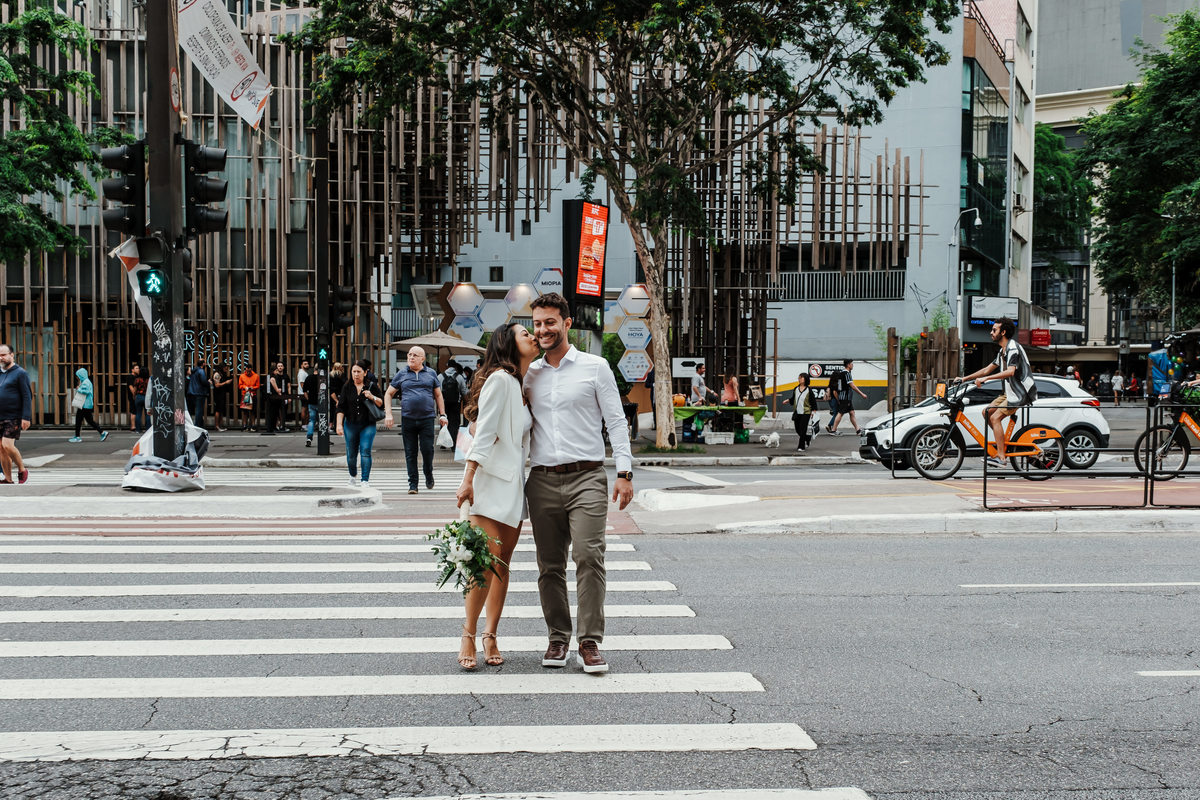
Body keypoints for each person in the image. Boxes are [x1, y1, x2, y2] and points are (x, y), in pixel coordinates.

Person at [524, 292, 633, 674]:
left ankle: (589, 642)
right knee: (549, 565)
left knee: (589, 557)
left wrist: (624, 472)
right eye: (537, 323)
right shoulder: (529, 373)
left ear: (567, 323)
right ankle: (558, 639)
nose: (543, 330)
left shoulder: (595, 366)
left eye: (550, 322)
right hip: (541, 480)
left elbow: (616, 421)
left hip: (587, 476)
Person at [453, 322, 539, 669]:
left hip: (514, 488)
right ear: (508, 344)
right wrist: (469, 478)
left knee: (502, 566)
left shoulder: (522, 385)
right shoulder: (500, 380)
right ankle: (468, 634)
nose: (533, 336)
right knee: (482, 565)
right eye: (525, 334)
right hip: (487, 485)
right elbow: (484, 432)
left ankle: (491, 635)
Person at [956, 317, 1036, 468]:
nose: (991, 332)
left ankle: (1001, 457)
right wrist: (964, 378)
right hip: (1009, 393)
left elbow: (1010, 372)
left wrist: (986, 379)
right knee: (987, 413)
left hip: (1019, 394)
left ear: (1003, 332)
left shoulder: (1013, 349)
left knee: (995, 419)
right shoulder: (1002, 351)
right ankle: (1002, 445)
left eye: (994, 330)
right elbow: (987, 369)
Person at [383, 346, 447, 494]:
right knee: (410, 452)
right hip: (408, 419)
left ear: (422, 359)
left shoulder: (431, 374)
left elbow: (438, 395)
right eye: (409, 355)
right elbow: (388, 394)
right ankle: (413, 484)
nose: (411, 357)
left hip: (427, 419)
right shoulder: (402, 373)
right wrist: (389, 414)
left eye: (415, 355)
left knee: (427, 450)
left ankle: (428, 474)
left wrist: (443, 414)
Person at [336, 359, 383, 487]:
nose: (356, 374)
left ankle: (365, 480)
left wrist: (371, 397)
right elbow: (341, 407)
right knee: (351, 453)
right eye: (353, 371)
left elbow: (381, 403)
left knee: (365, 450)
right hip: (350, 424)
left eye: (358, 371)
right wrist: (339, 424)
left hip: (367, 424)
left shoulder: (371, 386)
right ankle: (352, 475)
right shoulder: (347, 386)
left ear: (365, 372)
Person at [0, 344, 33, 484]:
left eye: (4, 354)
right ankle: (8, 478)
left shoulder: (20, 373)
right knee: (1, 448)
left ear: (12, 355)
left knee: (7, 445)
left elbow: (27, 396)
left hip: (13, 416)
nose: (1, 357)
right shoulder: (0, 373)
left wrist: (26, 417)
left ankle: (22, 469)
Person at [826, 359, 868, 435]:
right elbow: (852, 385)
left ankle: (858, 430)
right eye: (852, 364)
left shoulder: (841, 374)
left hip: (844, 397)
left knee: (852, 413)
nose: (853, 365)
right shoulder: (847, 374)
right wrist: (862, 394)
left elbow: (839, 387)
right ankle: (833, 430)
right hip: (845, 397)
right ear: (848, 365)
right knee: (840, 413)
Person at [69, 367, 109, 443]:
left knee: (78, 420)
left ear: (81, 375)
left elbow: (86, 391)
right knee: (89, 421)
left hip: (84, 404)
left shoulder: (86, 382)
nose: (77, 377)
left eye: (78, 375)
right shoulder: (86, 381)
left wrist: (78, 389)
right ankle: (102, 432)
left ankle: (77, 437)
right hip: (86, 405)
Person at [440, 359, 468, 451]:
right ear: (455, 367)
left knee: (444, 421)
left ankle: (443, 443)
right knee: (454, 423)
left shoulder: (440, 376)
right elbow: (464, 391)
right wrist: (466, 402)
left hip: (443, 403)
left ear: (447, 366)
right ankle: (453, 444)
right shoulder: (459, 377)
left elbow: (437, 392)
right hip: (456, 403)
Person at [789, 373, 816, 452]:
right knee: (798, 429)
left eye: (801, 378)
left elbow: (813, 402)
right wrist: (788, 400)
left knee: (803, 429)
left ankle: (801, 446)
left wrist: (813, 412)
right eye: (799, 378)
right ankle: (807, 438)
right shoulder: (796, 389)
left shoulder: (809, 390)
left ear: (805, 379)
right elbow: (793, 399)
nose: (799, 379)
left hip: (806, 412)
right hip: (797, 412)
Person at [264, 362, 288, 434]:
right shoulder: (272, 378)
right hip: (273, 397)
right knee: (273, 413)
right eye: (276, 370)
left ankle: (272, 427)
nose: (277, 372)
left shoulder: (270, 377)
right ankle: (272, 427)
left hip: (272, 397)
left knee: (273, 413)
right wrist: (279, 391)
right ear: (274, 371)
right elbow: (276, 388)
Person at [303, 366, 323, 447]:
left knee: (312, 420)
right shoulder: (322, 378)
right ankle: (324, 438)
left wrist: (309, 399)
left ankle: (309, 438)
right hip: (321, 402)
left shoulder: (309, 378)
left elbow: (304, 390)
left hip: (312, 402)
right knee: (322, 420)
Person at [186, 360, 209, 428]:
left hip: (192, 392)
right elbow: (204, 381)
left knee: (193, 409)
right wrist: (208, 383)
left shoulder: (194, 371)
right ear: (203, 364)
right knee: (199, 410)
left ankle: (199, 424)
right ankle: (197, 425)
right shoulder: (201, 371)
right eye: (205, 363)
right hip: (199, 392)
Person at [210, 361, 232, 431]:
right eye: (225, 368)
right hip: (218, 394)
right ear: (222, 368)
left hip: (221, 393)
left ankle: (220, 425)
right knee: (218, 409)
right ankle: (217, 426)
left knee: (221, 409)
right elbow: (217, 385)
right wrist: (226, 382)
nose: (226, 370)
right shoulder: (217, 374)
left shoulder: (221, 374)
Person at [237, 365, 260, 431]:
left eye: (249, 371)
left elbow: (258, 385)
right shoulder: (242, 376)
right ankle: (245, 425)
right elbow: (240, 385)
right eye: (247, 371)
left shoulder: (256, 376)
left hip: (253, 394)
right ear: (245, 369)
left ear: (251, 369)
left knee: (253, 411)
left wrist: (253, 387)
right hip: (245, 395)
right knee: (245, 411)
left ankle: (253, 425)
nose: (248, 373)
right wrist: (245, 387)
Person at [126, 364, 148, 432]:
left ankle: (137, 428)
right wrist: (134, 395)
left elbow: (135, 388)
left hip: (138, 397)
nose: (138, 369)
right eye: (136, 368)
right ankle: (133, 426)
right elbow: (131, 388)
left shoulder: (137, 379)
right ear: (132, 370)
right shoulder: (130, 377)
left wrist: (135, 395)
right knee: (135, 411)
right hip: (141, 396)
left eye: (138, 368)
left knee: (137, 413)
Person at [296, 359, 311, 429]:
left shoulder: (304, 372)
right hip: (303, 393)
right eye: (305, 364)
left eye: (307, 364)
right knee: (304, 408)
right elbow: (302, 384)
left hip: (304, 393)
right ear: (301, 365)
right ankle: (304, 425)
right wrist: (306, 392)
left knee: (306, 408)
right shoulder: (302, 373)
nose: (307, 365)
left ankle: (305, 424)